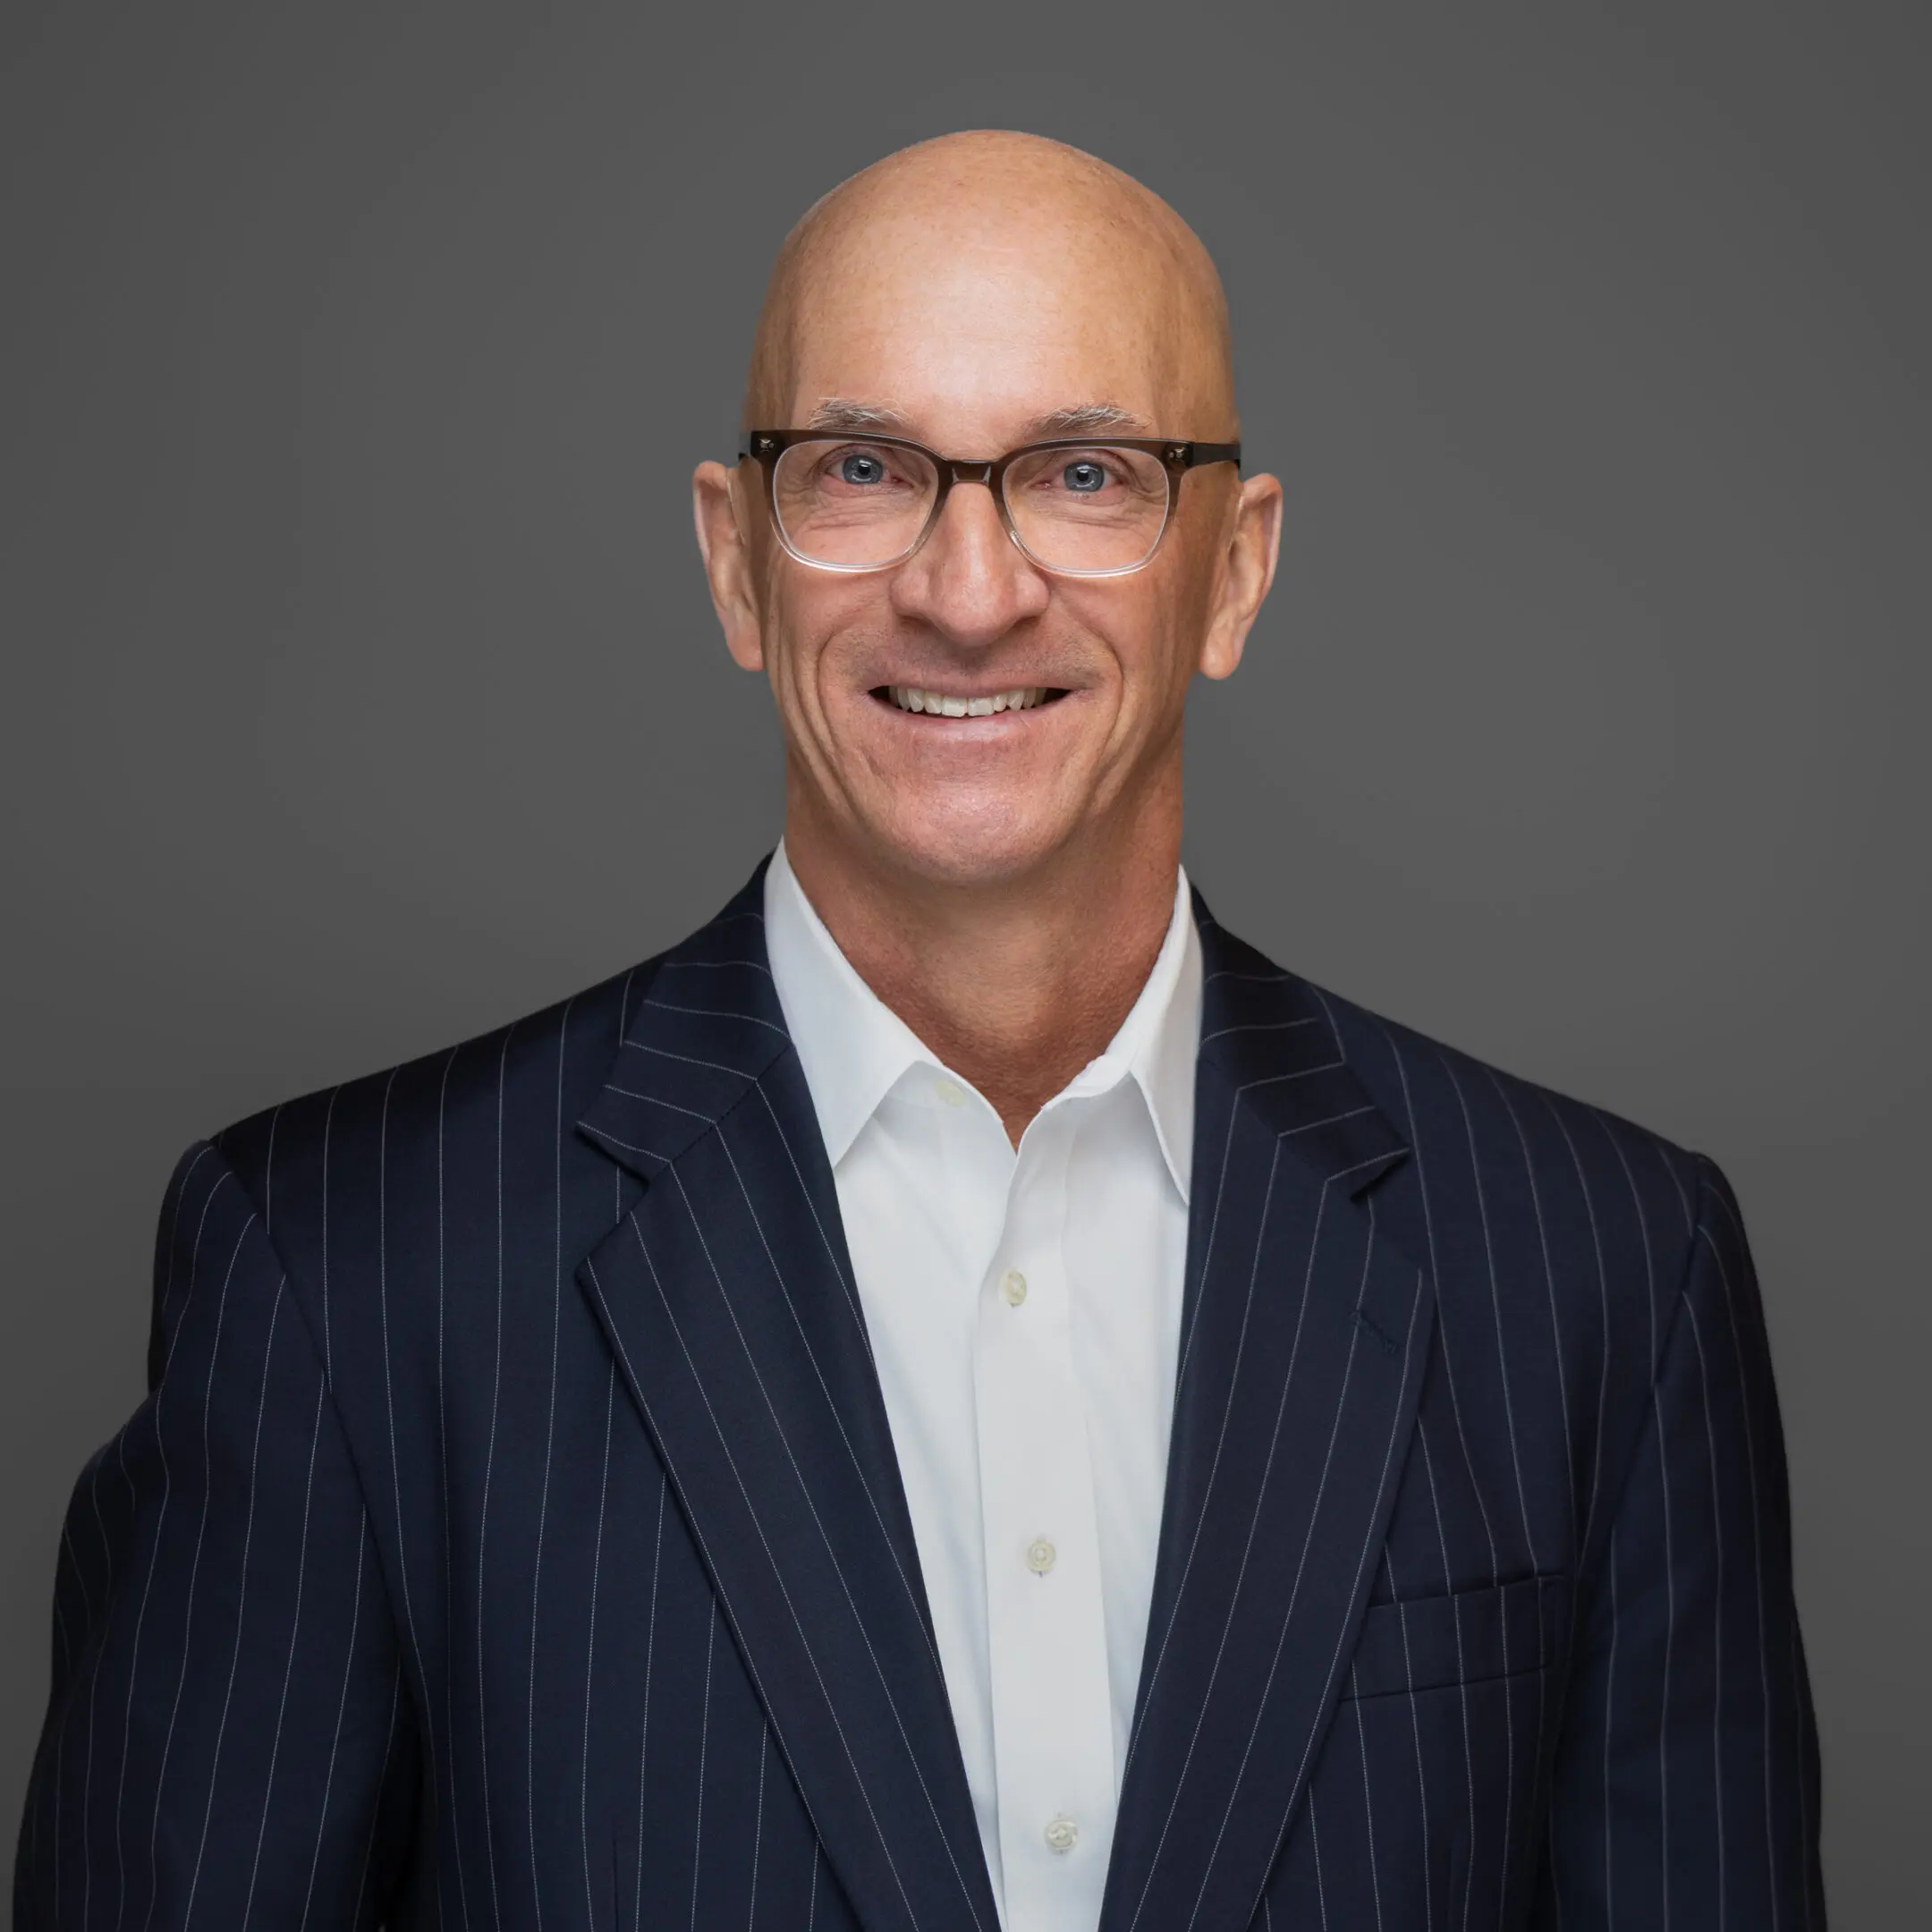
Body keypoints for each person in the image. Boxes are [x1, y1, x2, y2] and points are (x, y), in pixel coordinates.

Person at [15, 131, 1823, 1931]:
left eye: (1088, 473)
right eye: (864, 468)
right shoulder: (341, 1281)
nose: (969, 591)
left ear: (1235, 569)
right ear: (738, 563)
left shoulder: (1600, 1277)